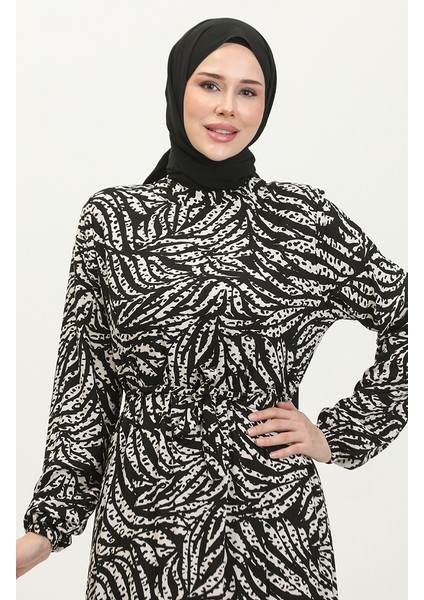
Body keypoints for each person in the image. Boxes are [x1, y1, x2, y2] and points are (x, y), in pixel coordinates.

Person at [16, 17, 407, 600]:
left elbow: (407, 315)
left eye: (248, 91)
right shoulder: (114, 221)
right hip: (143, 540)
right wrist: (46, 531)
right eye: (209, 85)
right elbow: (87, 388)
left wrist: (337, 434)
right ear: (178, 89)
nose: (228, 107)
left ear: (265, 106)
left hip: (277, 539)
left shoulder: (303, 220)